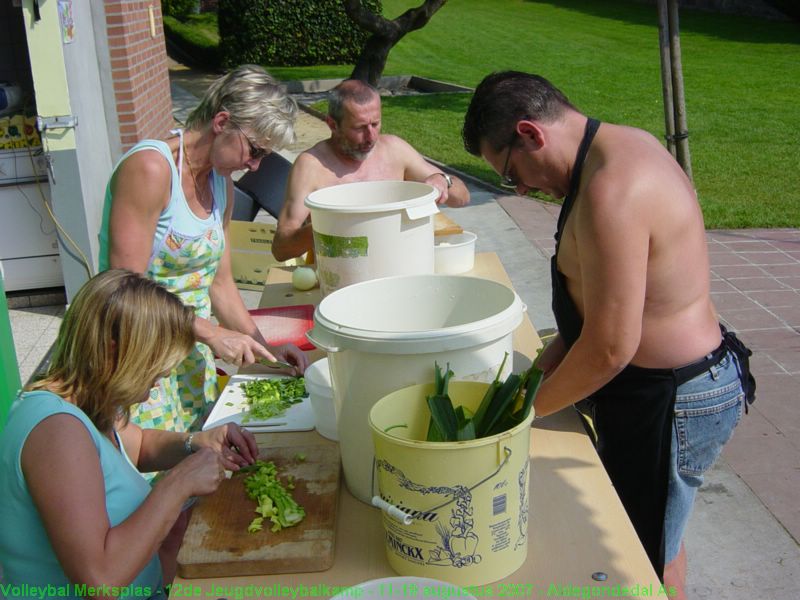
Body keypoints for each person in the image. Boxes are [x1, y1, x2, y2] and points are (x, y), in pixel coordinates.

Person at [462, 71, 755, 599]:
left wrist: (517, 422)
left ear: (530, 133)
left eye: (511, 173)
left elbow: (610, 348)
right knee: (659, 533)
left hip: (671, 396)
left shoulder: (612, 189)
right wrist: (528, 383)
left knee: (638, 558)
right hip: (656, 388)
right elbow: (589, 319)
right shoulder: (610, 150)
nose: (522, 188)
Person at [0, 269, 259, 597]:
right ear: (112, 352)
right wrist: (177, 484)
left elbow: (135, 446)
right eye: (154, 365)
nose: (162, 377)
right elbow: (99, 581)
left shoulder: (87, 401)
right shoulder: (56, 431)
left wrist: (197, 442)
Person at [98, 64, 309, 440]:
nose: (255, 165)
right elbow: (126, 288)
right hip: (137, 353)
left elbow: (221, 284)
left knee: (196, 465)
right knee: (150, 472)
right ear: (223, 121)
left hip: (187, 353)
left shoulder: (221, 184)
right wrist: (211, 333)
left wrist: (266, 351)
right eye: (255, 150)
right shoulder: (150, 168)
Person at [272, 79, 471, 261]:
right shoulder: (311, 166)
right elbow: (281, 248)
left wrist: (443, 181)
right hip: (340, 280)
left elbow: (462, 197)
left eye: (375, 124)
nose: (371, 137)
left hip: (398, 270)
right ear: (332, 124)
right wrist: (333, 223)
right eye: (359, 128)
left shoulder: (394, 150)